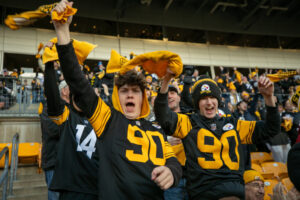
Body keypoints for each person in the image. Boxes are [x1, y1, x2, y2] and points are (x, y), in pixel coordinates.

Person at [51, 1, 182, 199]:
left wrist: (172, 172)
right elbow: (78, 82)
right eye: (124, 91)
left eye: (136, 91)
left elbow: (172, 160)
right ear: (116, 97)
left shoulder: (155, 129)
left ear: (143, 97)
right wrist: (62, 31)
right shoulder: (107, 120)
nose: (130, 95)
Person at [155, 72, 280, 199]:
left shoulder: (233, 124)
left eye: (212, 97)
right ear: (197, 103)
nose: (209, 102)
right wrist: (166, 82)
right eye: (203, 98)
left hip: (235, 192)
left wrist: (269, 97)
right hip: (205, 193)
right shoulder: (188, 122)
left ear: (218, 100)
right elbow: (163, 116)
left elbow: (270, 129)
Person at [44, 58, 99, 200]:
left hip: (96, 186)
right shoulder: (67, 116)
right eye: (77, 96)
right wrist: (49, 66)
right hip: (71, 186)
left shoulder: (99, 118)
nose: (82, 99)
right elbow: (52, 96)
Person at [164, 84, 188, 200]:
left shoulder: (192, 118)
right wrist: (166, 141)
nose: (169, 96)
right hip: (171, 179)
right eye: (166, 94)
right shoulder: (155, 123)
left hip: (195, 178)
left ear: (179, 97)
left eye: (173, 93)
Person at [38, 100, 60, 200]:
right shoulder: (47, 109)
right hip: (52, 160)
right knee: (54, 194)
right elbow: (53, 130)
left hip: (64, 161)